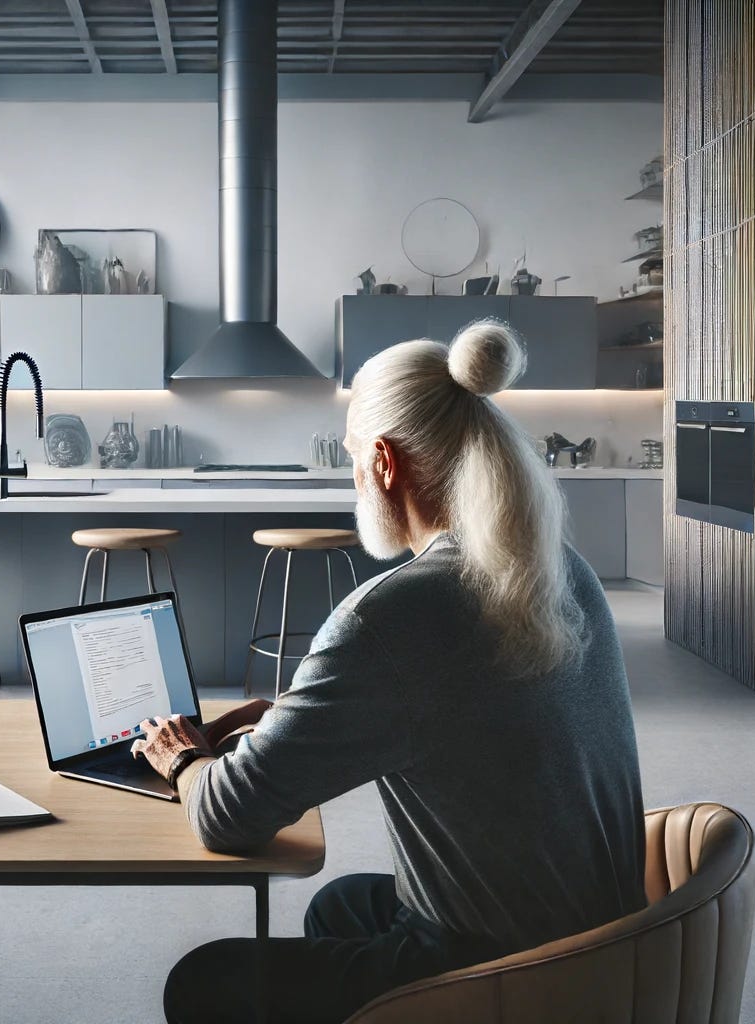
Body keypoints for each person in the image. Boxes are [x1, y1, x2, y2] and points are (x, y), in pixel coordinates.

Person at [132, 320, 646, 1024]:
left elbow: (228, 818)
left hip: (511, 974)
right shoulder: (561, 571)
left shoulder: (389, 616)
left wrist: (184, 758)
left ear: (383, 461)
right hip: (611, 943)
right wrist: (290, 713)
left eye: (350, 459)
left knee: (202, 981)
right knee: (338, 905)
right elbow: (458, 698)